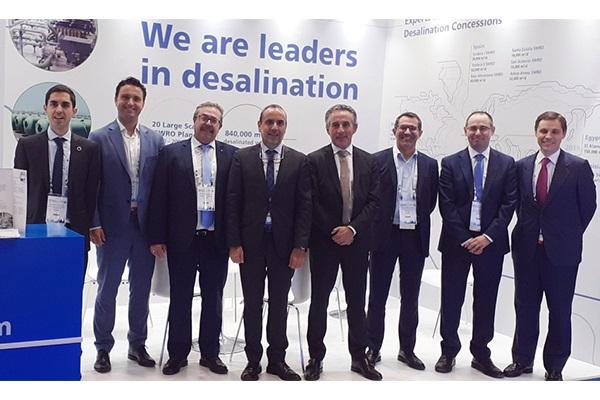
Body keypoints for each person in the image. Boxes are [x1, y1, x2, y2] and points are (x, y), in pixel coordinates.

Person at [504, 111, 596, 381]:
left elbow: (588, 207)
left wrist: (564, 234)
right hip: (527, 250)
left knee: (559, 310)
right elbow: (518, 206)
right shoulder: (521, 166)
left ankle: (555, 366)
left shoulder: (578, 167)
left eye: (554, 131)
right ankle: (522, 360)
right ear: (536, 132)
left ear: (563, 134)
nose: (548, 136)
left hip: (562, 253)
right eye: (543, 131)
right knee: (525, 307)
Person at [146, 102, 237, 376]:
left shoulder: (232, 155)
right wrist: (157, 236)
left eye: (214, 120)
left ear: (220, 126)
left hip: (216, 240)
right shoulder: (171, 153)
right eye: (204, 118)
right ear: (194, 120)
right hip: (182, 239)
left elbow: (235, 202)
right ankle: (177, 354)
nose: (208, 123)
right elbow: (159, 197)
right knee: (180, 298)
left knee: (214, 299)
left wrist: (235, 240)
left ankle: (210, 354)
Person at [226, 104, 311, 381]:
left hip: (284, 247)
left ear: (285, 127)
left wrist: (300, 246)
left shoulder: (299, 161)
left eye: (280, 123)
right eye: (269, 122)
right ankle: (253, 360)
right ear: (259, 125)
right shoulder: (242, 158)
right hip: (250, 244)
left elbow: (304, 207)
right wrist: (234, 242)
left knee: (278, 304)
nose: (274, 127)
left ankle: (277, 359)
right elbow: (233, 202)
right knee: (252, 304)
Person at [88, 77, 164, 373]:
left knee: (141, 290)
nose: (131, 103)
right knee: (107, 290)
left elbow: (159, 190)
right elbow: (92, 185)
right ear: (116, 100)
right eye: (125, 97)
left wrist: (159, 231)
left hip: (144, 229)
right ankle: (103, 348)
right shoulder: (99, 138)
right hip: (111, 228)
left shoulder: (155, 140)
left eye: (136, 98)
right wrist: (94, 222)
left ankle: (137, 344)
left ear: (143, 103)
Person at [436, 111, 517, 378]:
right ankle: (448, 351)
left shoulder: (507, 164)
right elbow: (446, 205)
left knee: (486, 300)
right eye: (473, 128)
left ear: (492, 130)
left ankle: (481, 354)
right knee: (451, 298)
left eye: (483, 128)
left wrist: (487, 237)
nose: (477, 133)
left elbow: (509, 204)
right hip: (456, 243)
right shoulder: (450, 162)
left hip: (490, 244)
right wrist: (465, 238)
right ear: (465, 131)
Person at [304, 104, 381, 381]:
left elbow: (374, 202)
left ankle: (359, 358)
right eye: (335, 125)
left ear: (355, 128)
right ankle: (315, 357)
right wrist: (336, 231)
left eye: (346, 124)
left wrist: (352, 230)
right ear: (327, 129)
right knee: (319, 302)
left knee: (356, 303)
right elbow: (311, 202)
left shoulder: (369, 162)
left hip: (357, 244)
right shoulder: (313, 160)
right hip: (324, 243)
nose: (340, 129)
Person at [365, 112, 438, 370]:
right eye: (403, 128)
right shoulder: (377, 160)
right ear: (394, 130)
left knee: (411, 297)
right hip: (384, 236)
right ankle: (373, 347)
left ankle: (407, 349)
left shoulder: (430, 165)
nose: (407, 133)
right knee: (377, 296)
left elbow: (429, 202)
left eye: (413, 128)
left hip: (414, 236)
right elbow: (371, 198)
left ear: (420, 132)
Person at [14, 83, 100, 273]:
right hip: (37, 230)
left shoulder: (89, 149)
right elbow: (19, 191)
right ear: (45, 108)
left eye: (65, 105)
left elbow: (91, 193)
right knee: (37, 283)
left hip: (74, 232)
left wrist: (89, 227)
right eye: (53, 104)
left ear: (74, 111)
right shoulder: (27, 146)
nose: (59, 110)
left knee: (72, 285)